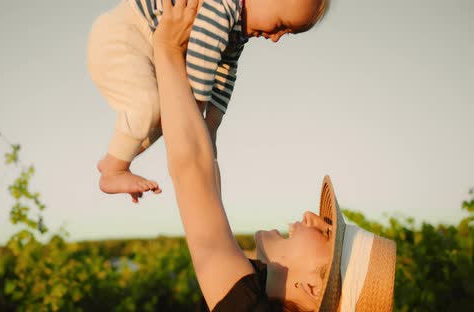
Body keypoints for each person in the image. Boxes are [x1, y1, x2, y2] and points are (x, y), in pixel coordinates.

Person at [152, 0, 397, 311]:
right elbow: (204, 185)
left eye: (326, 232)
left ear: (312, 286)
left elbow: (192, 175)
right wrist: (206, 131)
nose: (311, 216)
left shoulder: (250, 307)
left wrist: (167, 48)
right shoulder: (258, 297)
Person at [87, 0, 330, 203]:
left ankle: (114, 159)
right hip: (124, 33)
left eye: (285, 34)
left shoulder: (237, 31)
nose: (276, 38)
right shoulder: (222, 6)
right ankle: (114, 170)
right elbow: (199, 66)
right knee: (150, 107)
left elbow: (226, 71)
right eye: (280, 25)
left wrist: (212, 125)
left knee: (168, 116)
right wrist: (197, 120)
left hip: (148, 43)